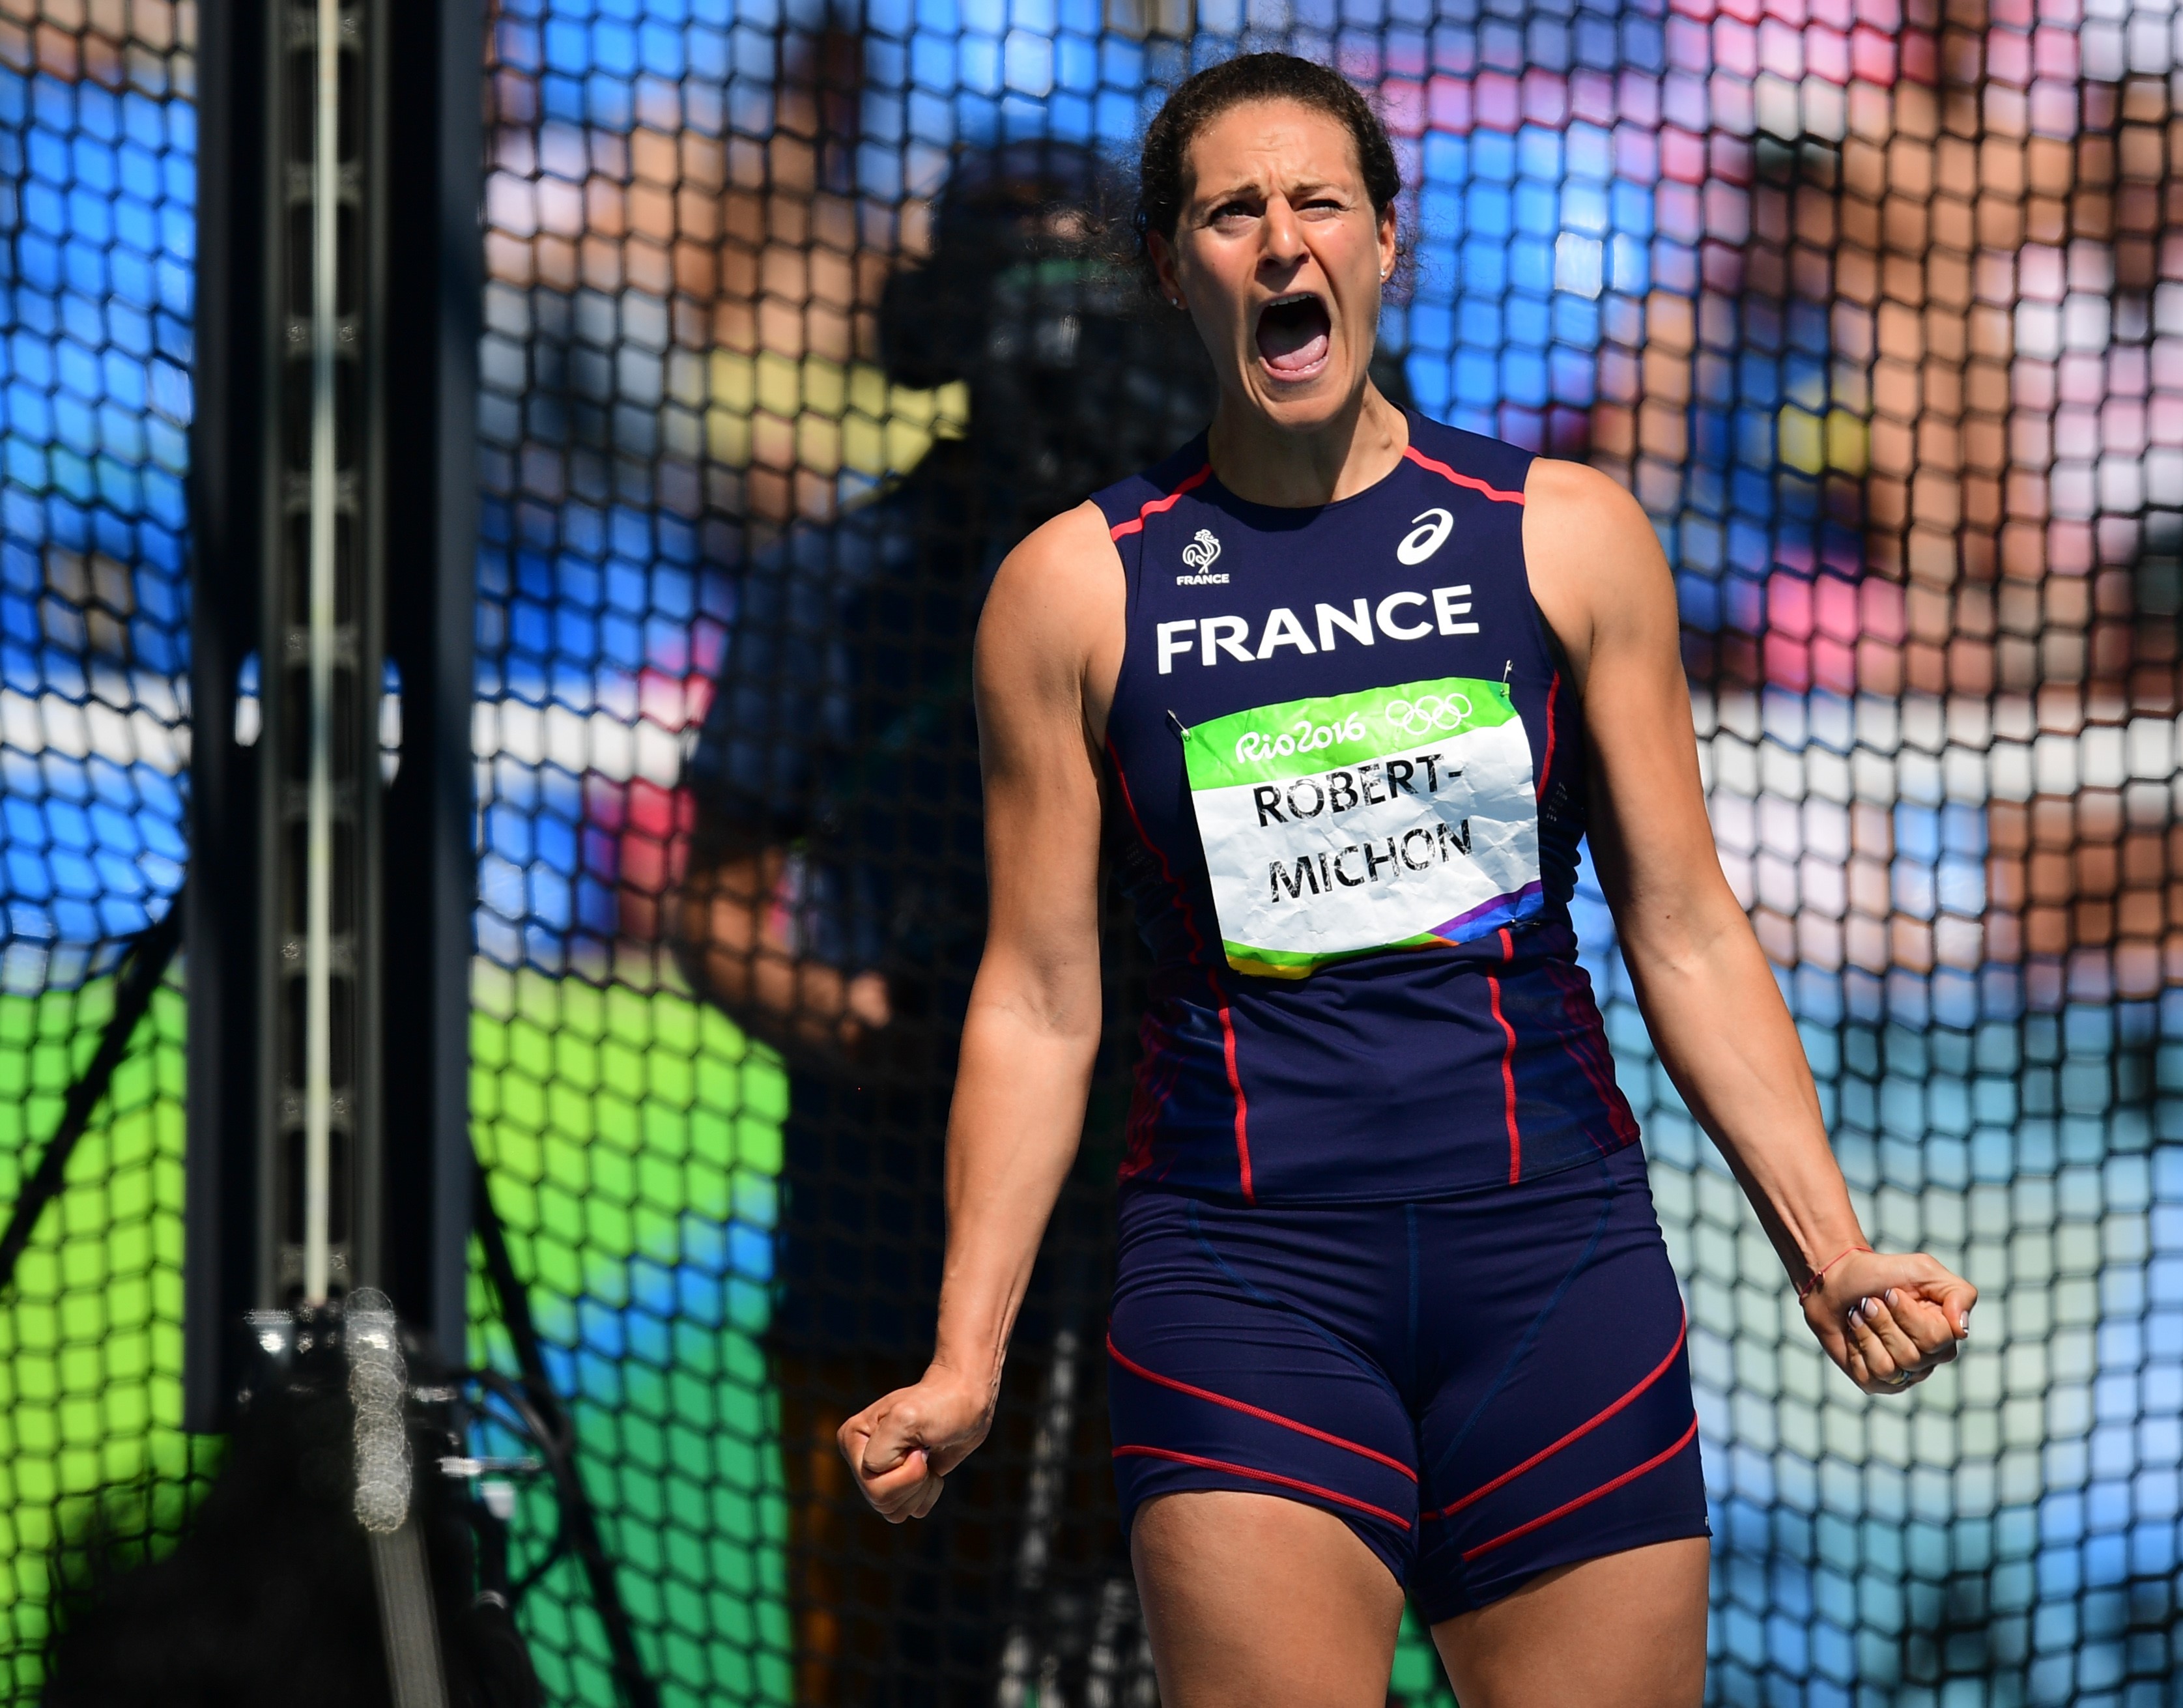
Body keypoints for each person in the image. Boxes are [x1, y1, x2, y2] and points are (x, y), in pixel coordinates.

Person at [837, 52, 1980, 1706]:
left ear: (1389, 240)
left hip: (1555, 1278)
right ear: (1174, 269)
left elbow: (1683, 924)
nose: (1282, 242)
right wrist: (965, 1356)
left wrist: (1831, 1251)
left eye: (1319, 203)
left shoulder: (1562, 535)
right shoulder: (1074, 589)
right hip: (1242, 1288)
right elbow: (1035, 995)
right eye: (1234, 211)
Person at [670, 141, 1218, 1703]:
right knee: (882, 1672)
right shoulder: (829, 584)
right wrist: (868, 1031)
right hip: (877, 1247)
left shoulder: (1201, 580)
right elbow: (708, 905)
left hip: (1163, 1239)